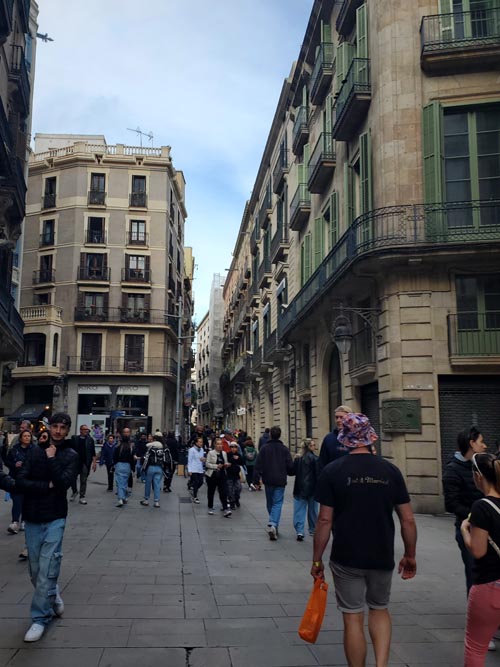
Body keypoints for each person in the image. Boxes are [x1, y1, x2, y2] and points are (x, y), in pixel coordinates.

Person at [312, 413, 417, 667]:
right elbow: (407, 520)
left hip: (346, 555)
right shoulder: (390, 470)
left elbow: (324, 521)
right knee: (379, 609)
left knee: (352, 617)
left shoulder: (332, 471)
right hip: (381, 554)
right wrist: (410, 555)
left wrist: (317, 560)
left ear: (345, 441)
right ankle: (381, 665)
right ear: (370, 437)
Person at [16, 412, 78, 643]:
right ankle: (53, 595)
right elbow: (21, 480)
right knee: (35, 571)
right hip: (32, 517)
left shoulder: (71, 455)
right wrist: (45, 485)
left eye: (63, 427)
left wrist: (52, 460)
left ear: (67, 430)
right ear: (49, 427)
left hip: (55, 517)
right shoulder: (34, 451)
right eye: (55, 426)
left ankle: (39, 618)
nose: (58, 431)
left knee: (47, 568)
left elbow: (63, 484)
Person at [461, 452, 500, 666]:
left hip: (490, 586)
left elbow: (478, 550)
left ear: (478, 475)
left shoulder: (481, 507)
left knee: (476, 647)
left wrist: (465, 529)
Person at [443, 427, 487, 595]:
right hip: (469, 529)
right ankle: (475, 614)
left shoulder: (482, 464)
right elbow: (451, 504)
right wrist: (475, 514)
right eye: (481, 442)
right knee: (474, 573)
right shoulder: (453, 470)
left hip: (488, 526)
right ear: (471, 443)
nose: (485, 446)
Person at [253, 426, 295, 540]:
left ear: (270, 434)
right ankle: (273, 524)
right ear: (280, 435)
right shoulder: (285, 449)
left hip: (268, 480)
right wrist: (292, 471)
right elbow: (290, 467)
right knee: (277, 503)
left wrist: (256, 480)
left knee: (270, 503)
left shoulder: (264, 448)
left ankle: (273, 523)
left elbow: (258, 465)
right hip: (280, 480)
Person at [5, 429, 33, 535]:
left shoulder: (34, 450)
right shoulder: (14, 450)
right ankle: (15, 522)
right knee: (17, 500)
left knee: (26, 501)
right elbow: (7, 461)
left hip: (28, 479)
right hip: (15, 478)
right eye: (25, 436)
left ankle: (24, 521)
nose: (27, 438)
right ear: (21, 438)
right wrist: (14, 464)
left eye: (28, 436)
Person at [293, 438, 319, 541]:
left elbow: (292, 472)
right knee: (313, 511)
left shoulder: (297, 459)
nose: (314, 446)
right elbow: (318, 474)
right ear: (309, 447)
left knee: (299, 511)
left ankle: (300, 531)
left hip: (299, 488)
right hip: (313, 488)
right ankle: (313, 530)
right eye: (313, 445)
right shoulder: (316, 459)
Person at [318, 404, 352, 471]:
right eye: (336, 417)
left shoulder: (357, 437)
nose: (338, 420)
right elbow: (322, 463)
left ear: (350, 418)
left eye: (341, 417)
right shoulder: (328, 438)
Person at [70, 424, 97, 505]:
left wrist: (94, 463)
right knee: (72, 479)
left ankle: (82, 497)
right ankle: (74, 491)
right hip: (75, 463)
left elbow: (93, 452)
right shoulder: (75, 439)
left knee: (83, 480)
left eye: (87, 429)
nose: (86, 431)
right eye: (84, 429)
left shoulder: (90, 440)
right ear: (80, 430)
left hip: (85, 463)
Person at [205, 438, 232, 517]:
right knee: (211, 491)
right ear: (215, 445)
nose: (220, 446)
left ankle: (225, 508)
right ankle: (210, 507)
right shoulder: (211, 453)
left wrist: (227, 464)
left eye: (221, 444)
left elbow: (225, 462)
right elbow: (207, 464)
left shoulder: (224, 453)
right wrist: (216, 466)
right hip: (212, 475)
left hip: (222, 474)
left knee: (223, 491)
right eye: (218, 444)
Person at [140, 436, 165, 508]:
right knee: (157, 485)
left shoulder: (150, 448)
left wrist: (143, 468)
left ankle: (146, 500)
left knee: (148, 484)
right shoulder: (162, 448)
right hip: (159, 468)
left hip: (151, 467)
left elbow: (146, 458)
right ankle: (156, 501)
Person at [113, 428, 136, 508]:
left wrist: (114, 465)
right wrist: (133, 469)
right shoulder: (131, 447)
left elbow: (114, 457)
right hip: (127, 466)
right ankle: (124, 497)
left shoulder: (118, 446)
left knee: (119, 483)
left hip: (119, 465)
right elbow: (132, 459)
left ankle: (120, 499)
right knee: (125, 482)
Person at [187, 436, 206, 504]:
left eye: (202, 442)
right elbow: (189, 460)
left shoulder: (202, 449)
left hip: (200, 468)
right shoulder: (191, 450)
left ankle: (192, 487)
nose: (201, 443)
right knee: (196, 481)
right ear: (196, 442)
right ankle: (195, 496)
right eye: (200, 442)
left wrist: (203, 460)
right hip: (193, 468)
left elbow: (202, 458)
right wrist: (189, 470)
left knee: (201, 482)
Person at [227, 441, 243, 509]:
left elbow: (242, 463)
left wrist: (238, 458)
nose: (233, 449)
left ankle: (237, 499)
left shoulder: (238, 455)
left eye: (235, 447)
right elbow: (227, 462)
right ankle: (232, 502)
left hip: (236, 475)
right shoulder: (228, 455)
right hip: (229, 474)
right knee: (230, 490)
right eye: (232, 447)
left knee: (238, 488)